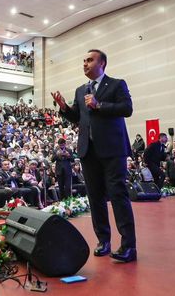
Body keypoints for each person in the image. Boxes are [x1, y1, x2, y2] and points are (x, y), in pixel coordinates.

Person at [51, 49, 136, 263]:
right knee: (95, 198)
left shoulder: (117, 84)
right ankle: (103, 241)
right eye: (83, 60)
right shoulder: (81, 90)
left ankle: (128, 246)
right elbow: (77, 117)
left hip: (113, 150)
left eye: (89, 60)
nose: (85, 64)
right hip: (88, 151)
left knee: (118, 196)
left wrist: (100, 105)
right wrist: (63, 107)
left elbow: (127, 108)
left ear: (103, 63)